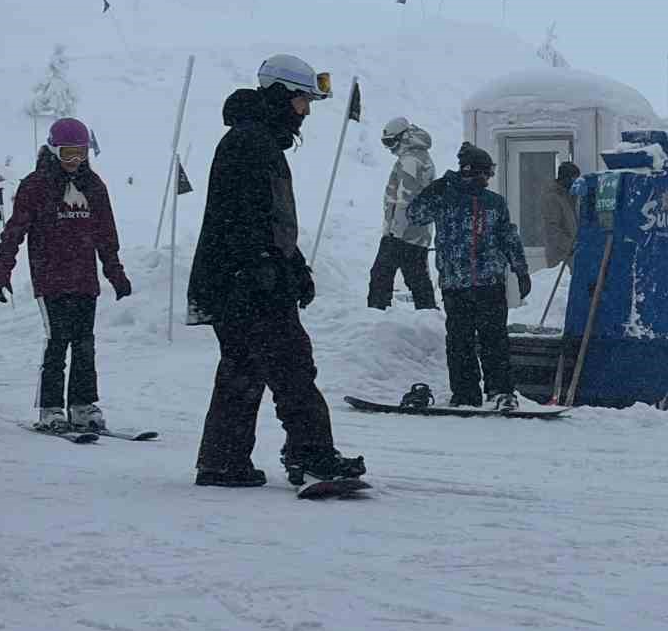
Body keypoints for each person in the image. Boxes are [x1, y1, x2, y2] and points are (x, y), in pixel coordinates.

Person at [187, 54, 365, 488]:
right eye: (303, 101)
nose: (306, 112)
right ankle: (312, 454)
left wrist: (294, 265)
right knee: (291, 365)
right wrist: (261, 267)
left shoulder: (256, 140)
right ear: (281, 95)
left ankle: (223, 462)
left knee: (243, 368)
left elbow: (269, 219)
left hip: (238, 279)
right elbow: (241, 218)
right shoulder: (249, 143)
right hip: (246, 283)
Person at [0, 117, 132, 434]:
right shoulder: (35, 186)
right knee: (57, 342)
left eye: (80, 153)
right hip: (50, 278)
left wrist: (115, 273)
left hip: (84, 279)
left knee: (84, 344)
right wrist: (2, 271)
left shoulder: (93, 186)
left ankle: (82, 406)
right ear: (54, 150)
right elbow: (14, 232)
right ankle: (51, 408)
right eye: (68, 153)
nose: (75, 160)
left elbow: (106, 235)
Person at [407, 142, 531, 411]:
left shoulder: (494, 203)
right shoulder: (443, 197)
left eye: (490, 173)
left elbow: (508, 237)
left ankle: (501, 392)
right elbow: (414, 215)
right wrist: (432, 191)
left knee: (495, 340)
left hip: (490, 284)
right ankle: (465, 394)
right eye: (486, 173)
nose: (488, 179)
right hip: (455, 284)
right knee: (459, 341)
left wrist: (520, 269)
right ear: (470, 172)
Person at [367, 116, 437, 310]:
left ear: (404, 137)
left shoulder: (411, 161)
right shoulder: (418, 157)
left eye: (391, 142)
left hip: (403, 232)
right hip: (416, 232)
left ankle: (376, 314)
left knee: (381, 276)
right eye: (386, 143)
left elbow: (406, 198)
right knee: (417, 278)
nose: (389, 148)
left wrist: (395, 232)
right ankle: (428, 315)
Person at [540, 161, 580, 271]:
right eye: (573, 179)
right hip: (561, 256)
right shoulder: (552, 198)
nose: (575, 182)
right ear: (564, 178)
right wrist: (571, 246)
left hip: (572, 254)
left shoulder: (569, 196)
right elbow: (552, 229)